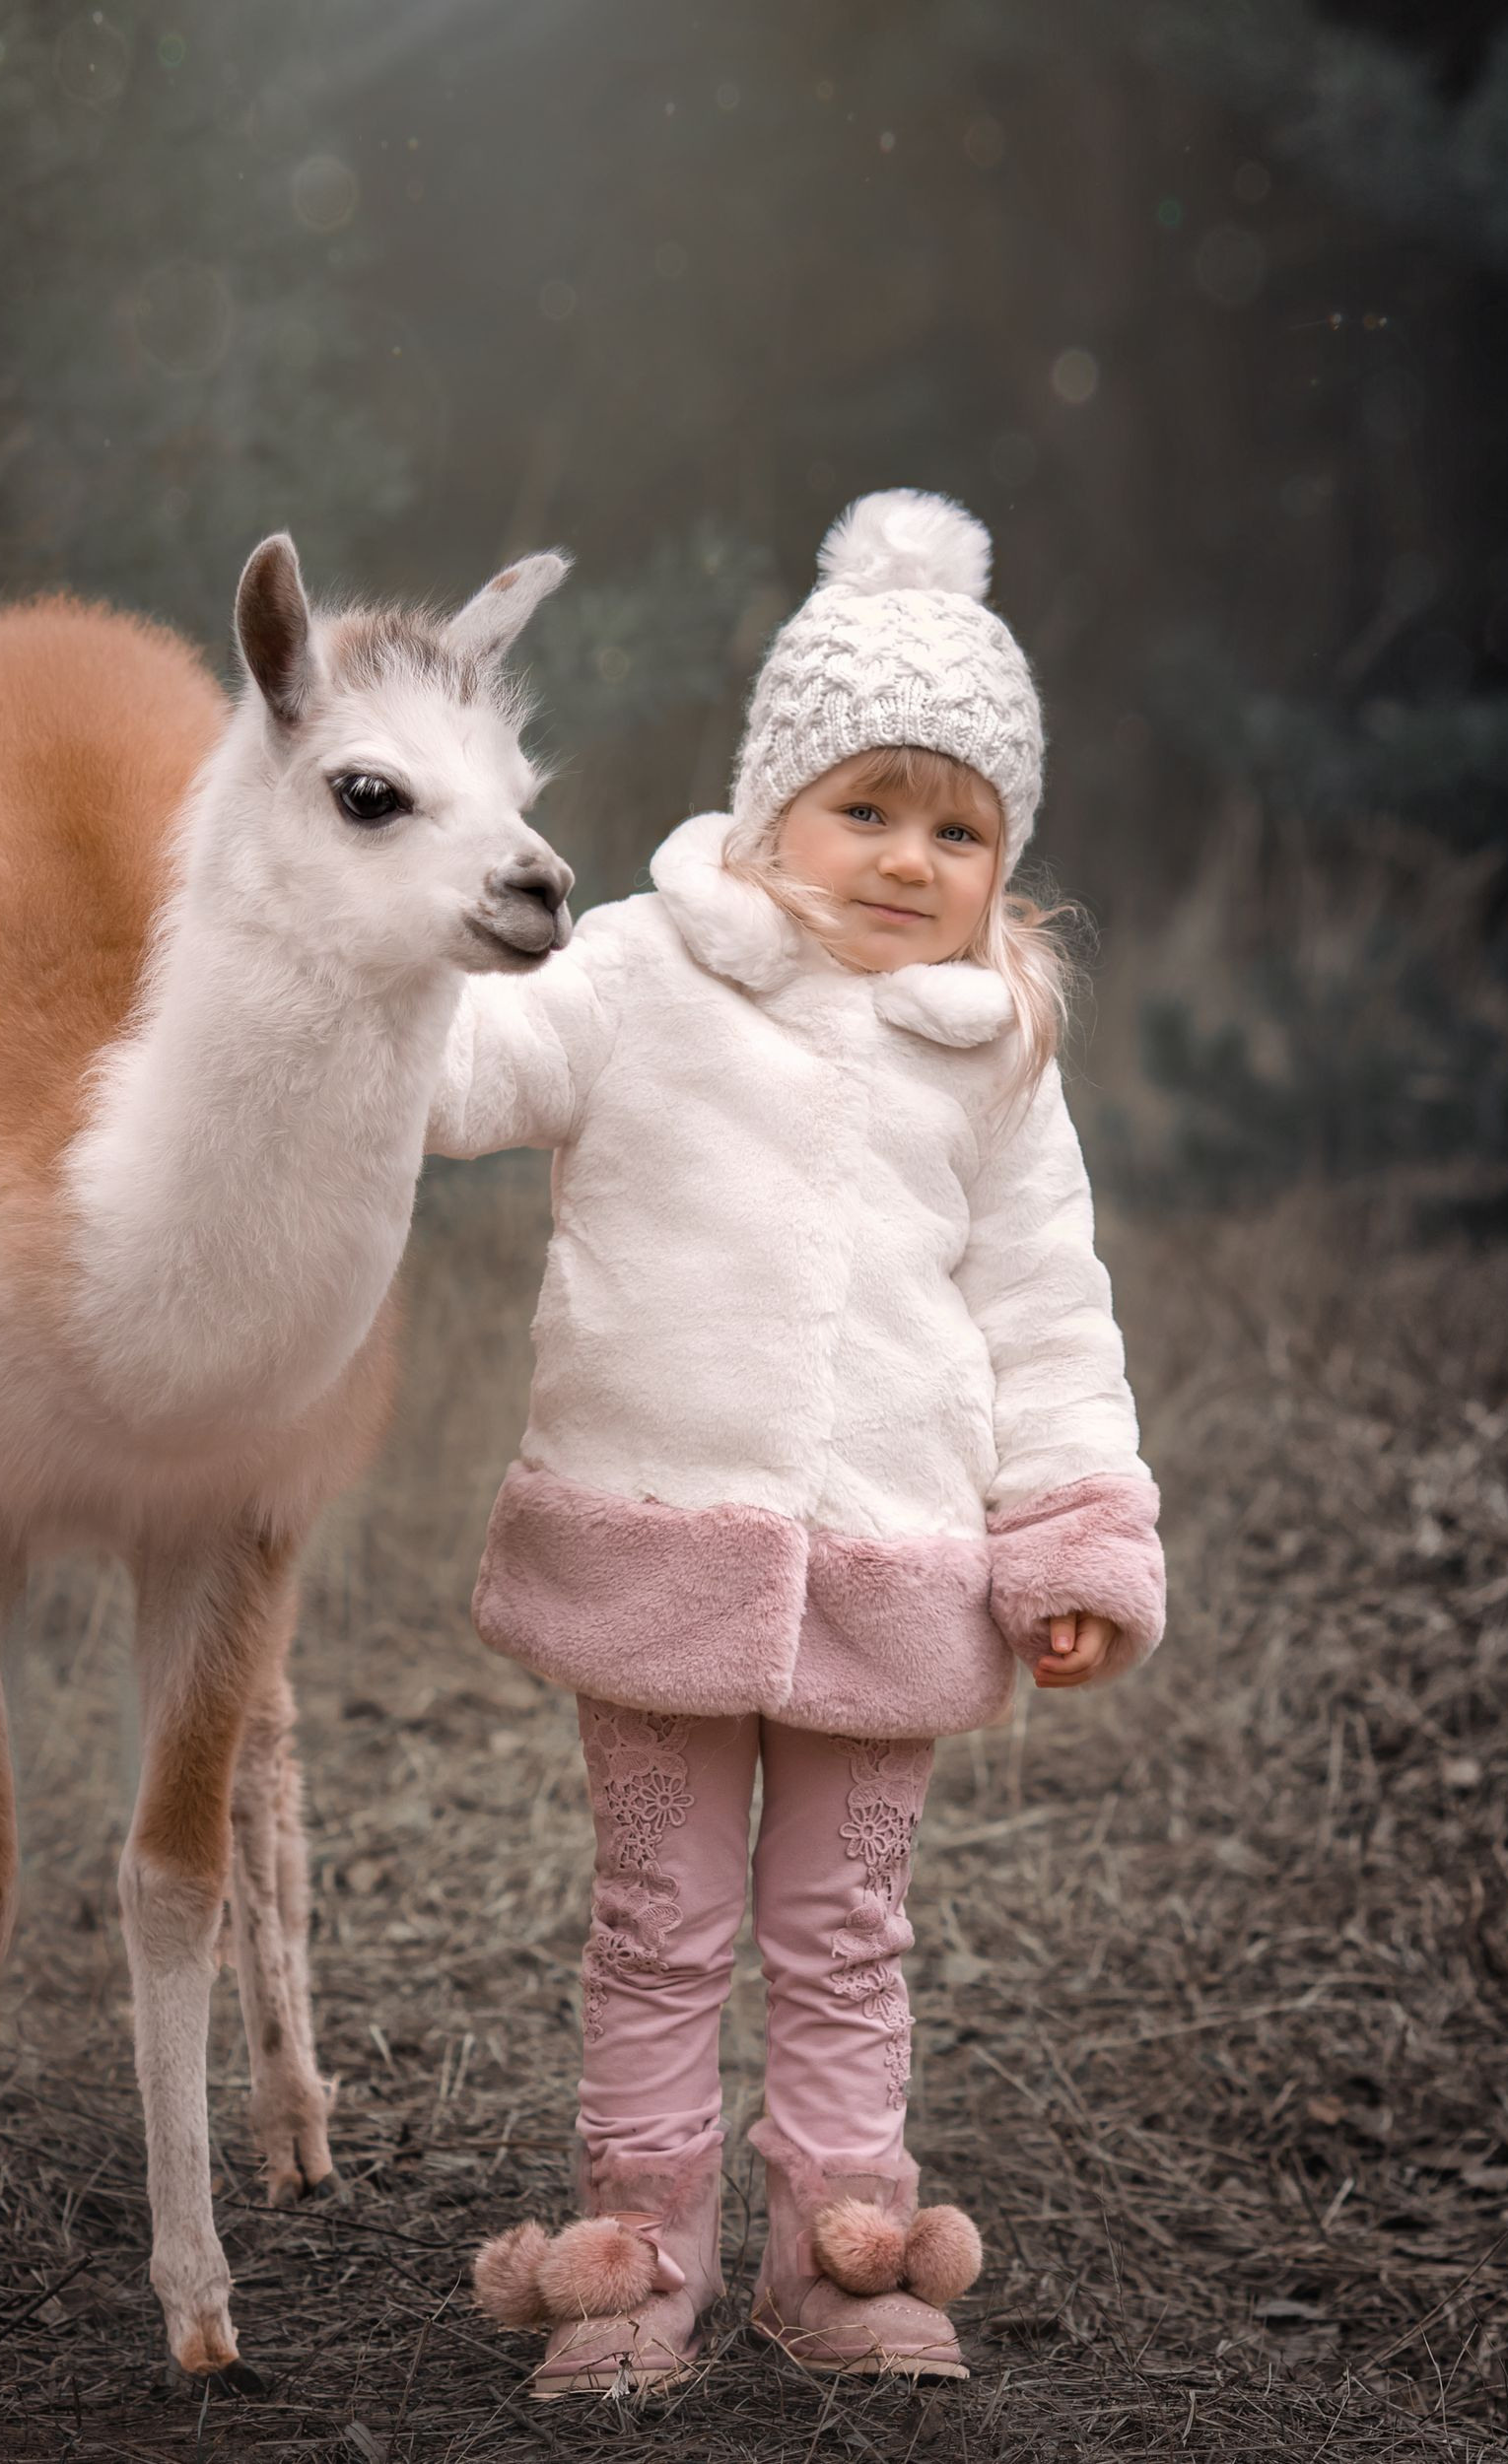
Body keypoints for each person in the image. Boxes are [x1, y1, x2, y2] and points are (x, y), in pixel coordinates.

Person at [432, 490, 1167, 2395]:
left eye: (959, 829)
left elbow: (1048, 1314)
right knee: (660, 1922)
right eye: (868, 808)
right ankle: (640, 2265)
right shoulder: (635, 975)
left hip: (896, 1568)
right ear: (773, 804)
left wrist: (1072, 1540)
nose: (909, 860)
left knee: (847, 1936)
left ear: (1005, 860)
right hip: (657, 1550)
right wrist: (339, 985)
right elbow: (460, 1074)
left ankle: (837, 2263)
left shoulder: (992, 1048)